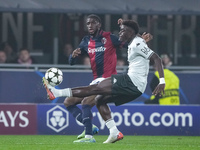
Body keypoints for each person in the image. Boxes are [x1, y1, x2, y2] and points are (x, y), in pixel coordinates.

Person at [43, 18, 165, 143]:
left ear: (99, 24)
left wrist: (162, 81)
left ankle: (59, 96)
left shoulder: (123, 41)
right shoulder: (86, 41)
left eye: (122, 31)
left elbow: (151, 55)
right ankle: (113, 132)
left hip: (123, 80)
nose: (119, 34)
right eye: (87, 23)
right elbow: (132, 34)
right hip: (128, 85)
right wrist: (73, 56)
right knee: (94, 100)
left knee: (90, 95)